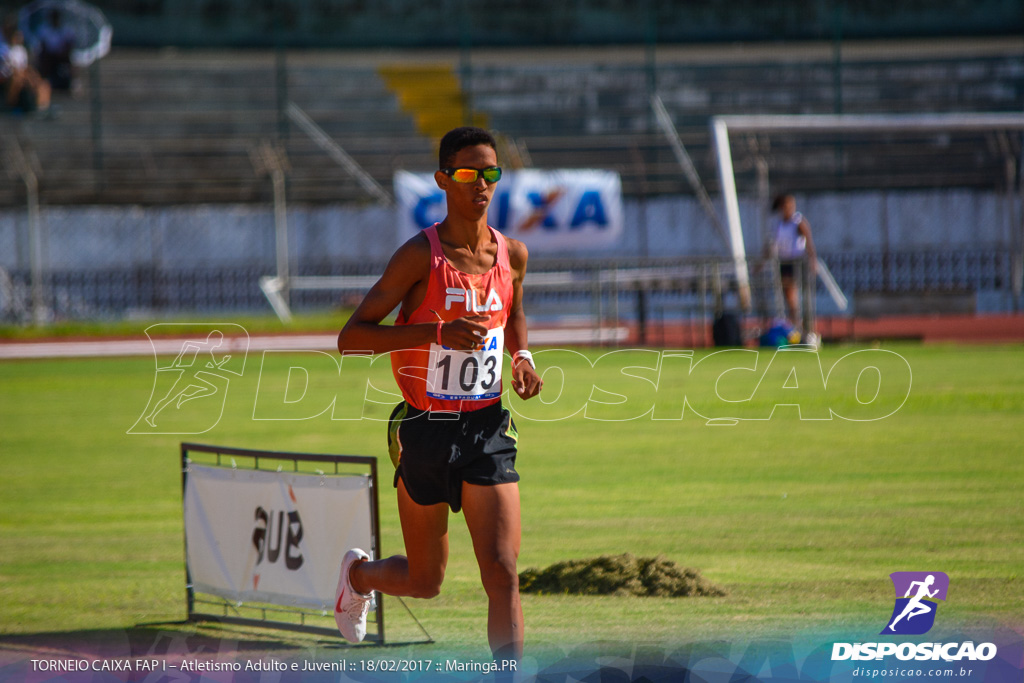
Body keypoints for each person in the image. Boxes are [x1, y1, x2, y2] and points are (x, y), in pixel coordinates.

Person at [333, 126, 543, 660]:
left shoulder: (512, 255)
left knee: (502, 572)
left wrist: (522, 359)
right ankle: (358, 577)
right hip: (425, 428)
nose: (482, 185)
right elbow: (351, 339)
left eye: (490, 174)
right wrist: (434, 332)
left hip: (488, 425)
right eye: (469, 173)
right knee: (426, 581)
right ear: (443, 179)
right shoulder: (418, 257)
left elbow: (513, 316)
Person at [769, 193, 816, 333]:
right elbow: (771, 245)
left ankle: (800, 326)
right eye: (786, 205)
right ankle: (794, 325)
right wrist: (760, 264)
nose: (789, 208)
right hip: (784, 262)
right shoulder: (778, 225)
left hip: (796, 262)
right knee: (787, 296)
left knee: (793, 296)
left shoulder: (798, 222)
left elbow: (808, 241)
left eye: (791, 205)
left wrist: (812, 259)